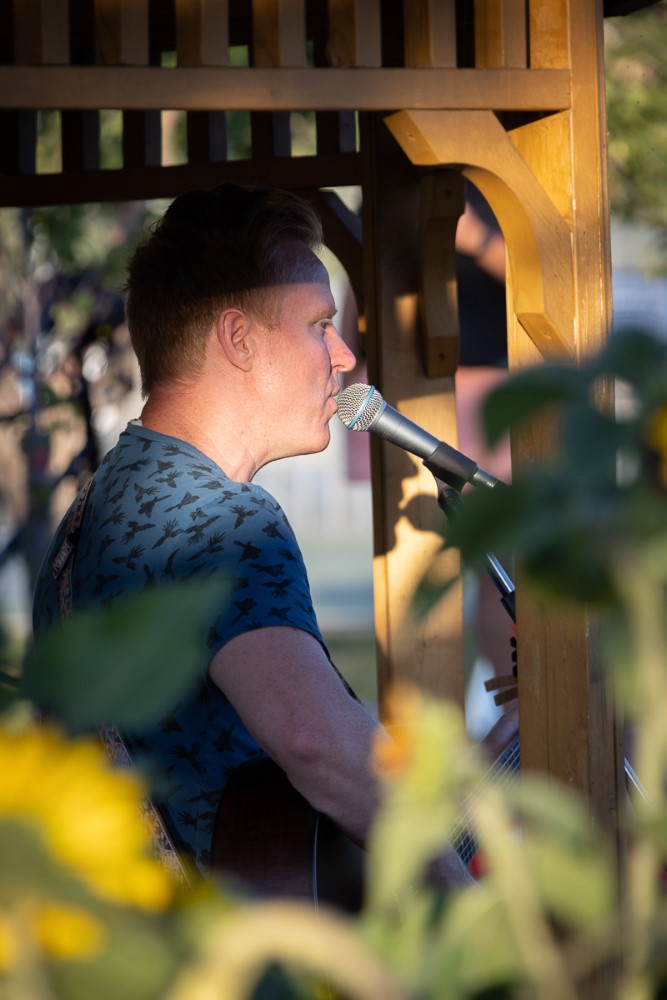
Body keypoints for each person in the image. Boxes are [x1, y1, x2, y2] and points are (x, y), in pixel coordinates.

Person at [32, 184, 474, 890]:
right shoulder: (227, 518)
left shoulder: (103, 501)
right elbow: (314, 741)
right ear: (238, 339)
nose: (342, 356)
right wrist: (468, 900)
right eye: (319, 325)